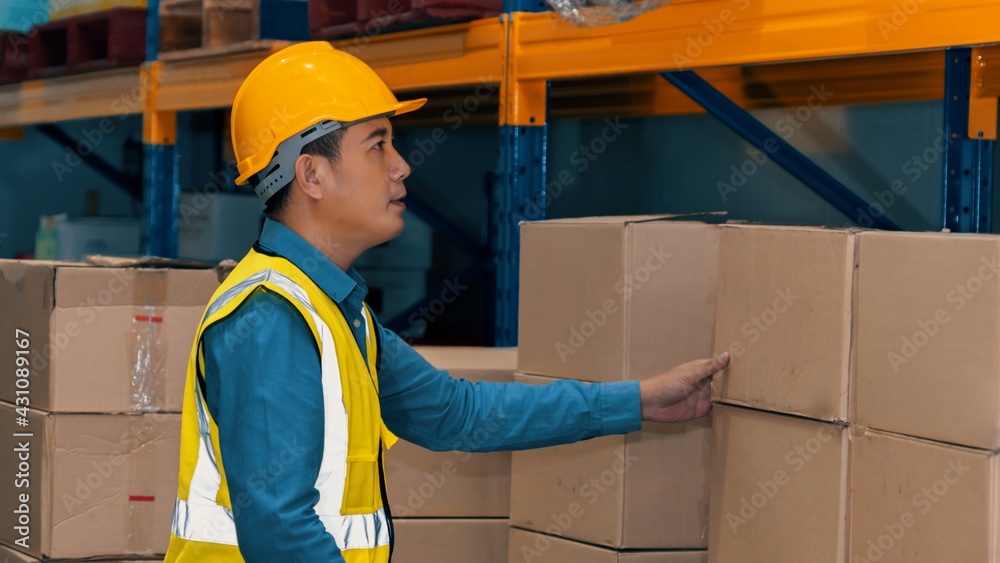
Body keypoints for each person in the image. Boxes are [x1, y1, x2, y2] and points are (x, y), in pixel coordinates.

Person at [163, 41, 730, 563]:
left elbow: (458, 414)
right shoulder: (271, 318)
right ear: (311, 173)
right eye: (377, 144)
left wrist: (641, 401)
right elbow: (279, 530)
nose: (401, 165)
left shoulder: (333, 311)